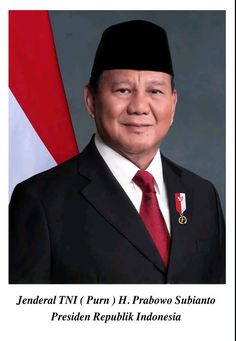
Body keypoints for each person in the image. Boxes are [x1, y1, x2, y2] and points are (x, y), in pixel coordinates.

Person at [9, 20, 225, 284]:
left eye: (155, 91)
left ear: (173, 103)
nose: (139, 107)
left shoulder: (202, 196)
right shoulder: (40, 201)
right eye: (123, 90)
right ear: (91, 100)